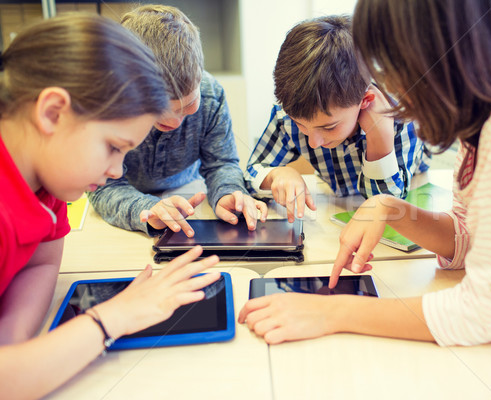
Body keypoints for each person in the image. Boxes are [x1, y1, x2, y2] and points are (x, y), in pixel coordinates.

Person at [238, 0, 491, 346]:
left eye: (395, 63)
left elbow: (484, 313)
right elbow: (466, 241)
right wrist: (386, 205)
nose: (392, 85)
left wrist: (332, 310)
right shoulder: (487, 126)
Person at [0, 14, 221, 398]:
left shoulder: (49, 184)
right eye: (113, 147)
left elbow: (41, 261)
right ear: (53, 112)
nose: (117, 169)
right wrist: (114, 317)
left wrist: (15, 344)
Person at [88, 4, 267, 238]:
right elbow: (104, 187)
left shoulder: (211, 94)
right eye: (159, 110)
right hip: (126, 200)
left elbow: (221, 163)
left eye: (188, 105)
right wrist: (145, 208)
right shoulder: (108, 105)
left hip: (189, 194)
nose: (174, 122)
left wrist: (228, 192)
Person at [244, 15, 429, 223]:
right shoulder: (287, 115)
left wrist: (380, 136)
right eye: (300, 124)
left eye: (329, 127)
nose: (314, 142)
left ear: (365, 100)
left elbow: (387, 205)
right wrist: (275, 176)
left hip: (416, 190)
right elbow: (251, 173)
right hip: (336, 205)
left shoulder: (400, 115)